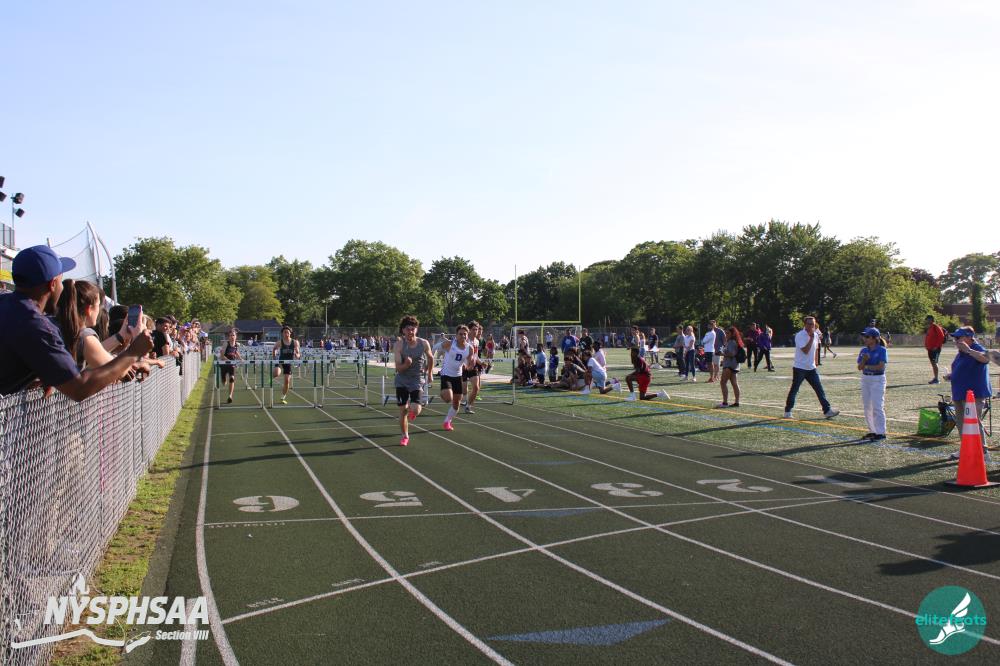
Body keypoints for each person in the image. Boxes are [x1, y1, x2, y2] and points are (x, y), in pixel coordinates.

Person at [0, 245, 152, 399]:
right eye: (60, 281)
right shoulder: (38, 326)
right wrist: (134, 353)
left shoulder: (5, 303)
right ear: (52, 284)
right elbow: (78, 389)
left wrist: (47, 372)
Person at [944, 326, 993, 461]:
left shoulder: (977, 348)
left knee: (973, 421)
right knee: (961, 423)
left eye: (958, 337)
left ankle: (983, 451)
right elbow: (961, 369)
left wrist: (969, 350)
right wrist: (951, 375)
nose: (956, 340)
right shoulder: (961, 353)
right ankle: (966, 448)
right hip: (959, 392)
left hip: (974, 393)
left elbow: (985, 359)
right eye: (955, 338)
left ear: (969, 337)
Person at [783, 316, 840, 419]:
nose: (811, 326)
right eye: (809, 324)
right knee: (795, 390)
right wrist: (812, 338)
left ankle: (827, 410)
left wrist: (816, 362)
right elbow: (805, 350)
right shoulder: (800, 335)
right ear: (805, 325)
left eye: (813, 324)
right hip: (800, 368)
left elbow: (816, 350)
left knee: (819, 390)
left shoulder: (816, 335)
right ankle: (788, 411)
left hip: (811, 368)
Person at [393, 315, 434, 447]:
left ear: (416, 330)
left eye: (413, 329)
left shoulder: (423, 343)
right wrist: (406, 364)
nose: (411, 332)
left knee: (415, 409)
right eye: (408, 329)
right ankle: (405, 436)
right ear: (403, 330)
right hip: (402, 380)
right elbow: (398, 368)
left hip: (416, 380)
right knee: (402, 410)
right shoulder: (399, 345)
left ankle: (412, 411)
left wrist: (429, 373)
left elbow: (431, 358)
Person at [438, 324, 474, 430]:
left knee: (456, 403)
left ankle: (447, 421)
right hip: (446, 374)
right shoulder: (450, 344)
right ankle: (443, 392)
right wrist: (429, 357)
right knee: (448, 398)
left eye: (465, 334)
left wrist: (469, 365)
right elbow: (436, 347)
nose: (463, 336)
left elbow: (469, 363)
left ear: (467, 335)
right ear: (456, 335)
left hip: (458, 376)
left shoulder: (470, 348)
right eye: (460, 334)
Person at [857, 327, 887, 440]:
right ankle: (873, 431)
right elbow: (860, 367)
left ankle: (881, 432)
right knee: (867, 407)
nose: (865, 339)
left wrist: (866, 366)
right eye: (865, 336)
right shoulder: (863, 350)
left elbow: (880, 367)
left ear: (875, 338)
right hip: (866, 379)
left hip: (877, 379)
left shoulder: (882, 350)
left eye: (867, 337)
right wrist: (864, 360)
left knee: (877, 406)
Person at [272, 325, 300, 404]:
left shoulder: (295, 342)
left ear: (290, 333)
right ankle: (272, 376)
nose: (286, 334)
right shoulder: (279, 342)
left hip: (289, 363)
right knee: (276, 373)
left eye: (287, 332)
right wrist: (274, 357)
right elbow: (274, 349)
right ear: (282, 334)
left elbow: (298, 353)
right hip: (281, 361)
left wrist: (297, 355)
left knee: (287, 381)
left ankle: (283, 397)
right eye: (284, 332)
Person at [718, 326, 744, 408]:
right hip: (734, 365)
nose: (726, 334)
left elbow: (732, 354)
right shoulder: (732, 341)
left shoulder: (732, 342)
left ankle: (725, 403)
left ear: (732, 334)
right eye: (725, 333)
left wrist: (722, 354)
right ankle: (737, 402)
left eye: (728, 333)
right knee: (734, 383)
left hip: (729, 365)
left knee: (723, 382)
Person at [218, 328, 242, 403]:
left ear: (236, 336)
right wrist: (229, 361)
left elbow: (236, 352)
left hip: (232, 365)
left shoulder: (236, 345)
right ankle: (224, 379)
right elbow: (222, 356)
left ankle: (230, 396)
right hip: (224, 364)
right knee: (224, 382)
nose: (232, 337)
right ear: (229, 337)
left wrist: (241, 359)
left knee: (232, 378)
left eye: (233, 335)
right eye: (231, 335)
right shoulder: (226, 344)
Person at [924, 315, 947, 384]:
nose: (926, 321)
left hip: (935, 349)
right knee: (933, 363)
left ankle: (936, 379)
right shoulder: (930, 328)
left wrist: (936, 346)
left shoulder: (935, 327)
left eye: (927, 319)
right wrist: (927, 346)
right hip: (930, 349)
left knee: (934, 362)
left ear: (931, 320)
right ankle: (935, 378)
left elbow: (942, 337)